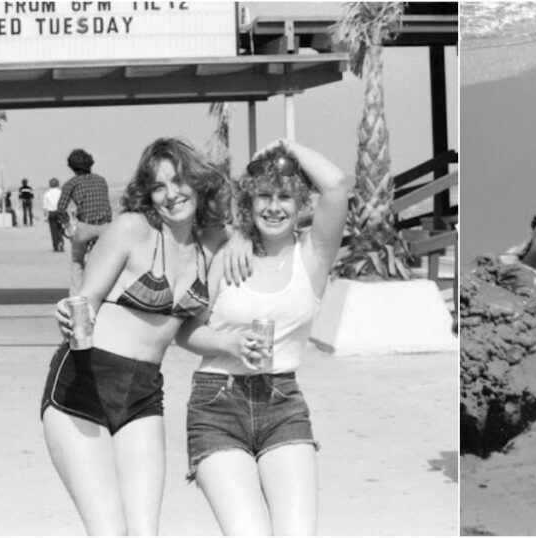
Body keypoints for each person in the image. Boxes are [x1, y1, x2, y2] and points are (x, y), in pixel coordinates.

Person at [43, 138, 233, 534]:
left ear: (198, 182)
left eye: (179, 180)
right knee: (110, 532)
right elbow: (86, 301)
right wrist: (69, 312)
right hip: (83, 384)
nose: (171, 194)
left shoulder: (213, 243)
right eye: (159, 186)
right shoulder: (131, 229)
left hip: (143, 393)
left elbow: (188, 332)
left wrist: (230, 344)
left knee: (145, 533)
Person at [175, 139, 349, 535]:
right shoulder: (226, 253)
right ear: (249, 204)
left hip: (282, 403)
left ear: (302, 204)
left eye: (285, 197)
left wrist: (285, 145)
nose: (274, 206)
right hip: (216, 404)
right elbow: (186, 333)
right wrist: (228, 344)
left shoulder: (314, 257)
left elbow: (336, 184)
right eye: (264, 197)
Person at [56, 149, 113, 295]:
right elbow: (106, 204)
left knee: (77, 261)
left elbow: (61, 209)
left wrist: (67, 226)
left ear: (72, 167)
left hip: (85, 227)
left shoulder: (71, 183)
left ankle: (76, 296)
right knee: (105, 261)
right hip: (105, 227)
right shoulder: (101, 180)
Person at [43, 177, 64, 252]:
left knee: (53, 230)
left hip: (51, 213)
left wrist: (45, 216)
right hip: (60, 212)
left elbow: (45, 207)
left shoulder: (47, 193)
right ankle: (61, 242)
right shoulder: (61, 192)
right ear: (58, 184)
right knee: (60, 229)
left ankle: (55, 245)